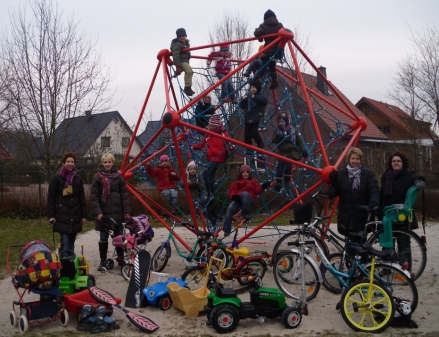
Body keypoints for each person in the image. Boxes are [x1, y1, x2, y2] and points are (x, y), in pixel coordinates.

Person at [379, 152, 425, 271]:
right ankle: (387, 267)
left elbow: (418, 178)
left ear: (403, 163)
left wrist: (420, 183)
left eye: (398, 161)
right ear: (391, 163)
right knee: (388, 241)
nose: (396, 163)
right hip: (387, 212)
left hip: (401, 214)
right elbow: (382, 193)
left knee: (403, 242)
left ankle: (406, 269)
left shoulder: (408, 175)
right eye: (394, 161)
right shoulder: (387, 176)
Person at [325, 147, 379, 243]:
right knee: (349, 241)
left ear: (361, 160)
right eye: (353, 158)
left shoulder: (368, 174)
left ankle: (362, 257)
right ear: (348, 159)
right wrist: (329, 193)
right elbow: (336, 188)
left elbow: (373, 189)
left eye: (357, 159)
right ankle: (350, 257)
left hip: (362, 212)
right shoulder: (341, 174)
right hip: (347, 214)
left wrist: (374, 202)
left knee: (361, 241)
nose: (355, 161)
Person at [91, 153, 131, 271]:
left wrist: (126, 211)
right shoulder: (97, 177)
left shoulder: (118, 177)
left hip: (117, 212)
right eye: (105, 162)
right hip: (103, 213)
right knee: (103, 238)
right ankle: (103, 261)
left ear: (113, 163)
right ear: (102, 163)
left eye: (109, 162)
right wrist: (98, 212)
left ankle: (120, 259)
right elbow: (94, 197)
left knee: (119, 237)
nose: (107, 164)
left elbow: (124, 195)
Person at [48, 152, 87, 255]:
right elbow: (51, 198)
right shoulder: (56, 179)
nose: (70, 163)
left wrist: (84, 216)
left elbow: (81, 198)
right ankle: (64, 266)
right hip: (62, 215)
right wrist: (51, 215)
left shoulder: (78, 179)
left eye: (72, 162)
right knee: (65, 243)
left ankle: (69, 266)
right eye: (68, 161)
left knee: (71, 244)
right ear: (64, 163)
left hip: (75, 214)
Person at [192, 115, 233, 204]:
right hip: (211, 158)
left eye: (212, 126)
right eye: (210, 125)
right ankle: (211, 196)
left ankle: (210, 195)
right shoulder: (208, 135)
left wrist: (231, 147)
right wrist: (193, 147)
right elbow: (202, 145)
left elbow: (228, 142)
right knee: (209, 176)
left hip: (219, 158)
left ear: (217, 126)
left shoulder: (222, 133)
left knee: (205, 174)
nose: (210, 127)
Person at [222, 165, 270, 236]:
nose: (245, 174)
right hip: (239, 199)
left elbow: (258, 190)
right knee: (230, 208)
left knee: (244, 194)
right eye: (243, 172)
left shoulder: (253, 181)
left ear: (249, 173)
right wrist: (234, 196)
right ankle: (227, 229)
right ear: (241, 173)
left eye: (247, 172)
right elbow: (232, 191)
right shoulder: (237, 182)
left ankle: (246, 214)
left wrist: (263, 186)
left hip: (249, 199)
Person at [271, 115, 307, 191]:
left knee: (288, 162)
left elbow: (299, 141)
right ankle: (278, 182)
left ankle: (287, 179)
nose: (281, 123)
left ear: (286, 122)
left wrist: (303, 150)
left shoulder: (293, 130)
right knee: (280, 165)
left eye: (282, 121)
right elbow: (273, 140)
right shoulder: (277, 131)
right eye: (279, 121)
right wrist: (278, 137)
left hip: (292, 152)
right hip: (282, 152)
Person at [254, 9, 284, 89]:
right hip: (278, 50)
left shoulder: (263, 25)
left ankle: (258, 75)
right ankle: (275, 82)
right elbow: (284, 33)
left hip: (269, 49)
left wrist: (261, 37)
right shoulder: (279, 25)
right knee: (271, 64)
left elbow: (257, 32)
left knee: (265, 62)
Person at [239, 79, 267, 157]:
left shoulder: (260, 96)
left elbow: (264, 101)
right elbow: (242, 106)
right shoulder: (248, 97)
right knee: (246, 135)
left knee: (254, 133)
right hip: (248, 119)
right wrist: (243, 100)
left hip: (256, 118)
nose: (252, 89)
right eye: (251, 87)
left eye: (254, 87)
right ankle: (248, 150)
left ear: (258, 88)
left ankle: (260, 144)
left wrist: (254, 97)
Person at [171, 28, 194, 96]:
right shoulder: (177, 44)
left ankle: (187, 87)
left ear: (186, 36)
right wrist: (178, 66)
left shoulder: (186, 43)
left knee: (190, 72)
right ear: (177, 37)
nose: (182, 38)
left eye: (183, 36)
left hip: (185, 60)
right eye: (180, 37)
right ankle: (187, 88)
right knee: (189, 71)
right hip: (180, 61)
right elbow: (176, 55)